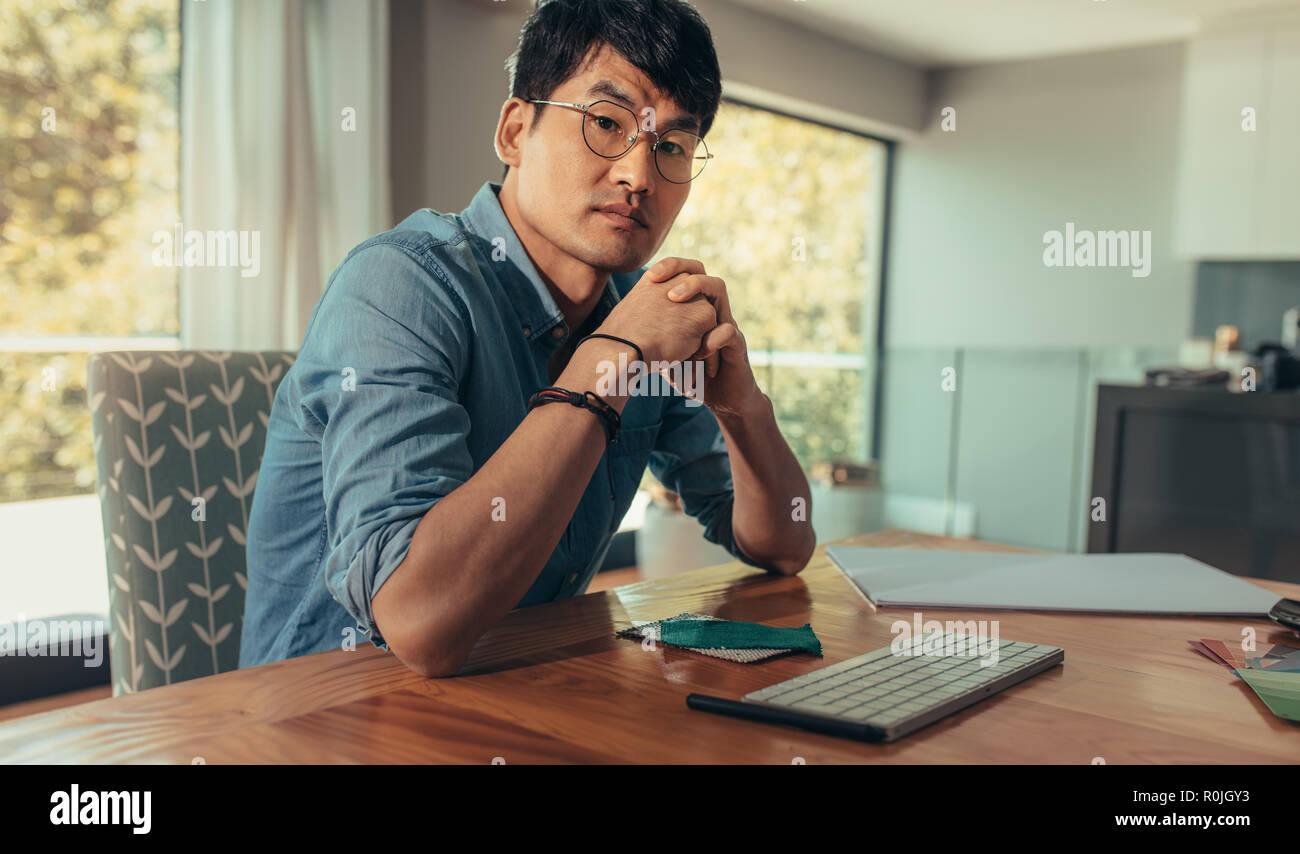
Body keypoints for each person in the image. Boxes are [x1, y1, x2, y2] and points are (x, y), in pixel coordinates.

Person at [239, 0, 814, 678]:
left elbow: (783, 545)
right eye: (606, 123)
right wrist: (610, 360)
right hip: (327, 718)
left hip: (517, 697)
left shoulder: (637, 314)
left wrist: (740, 405)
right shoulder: (399, 284)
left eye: (672, 147)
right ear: (515, 131)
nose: (639, 175)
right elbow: (417, 622)